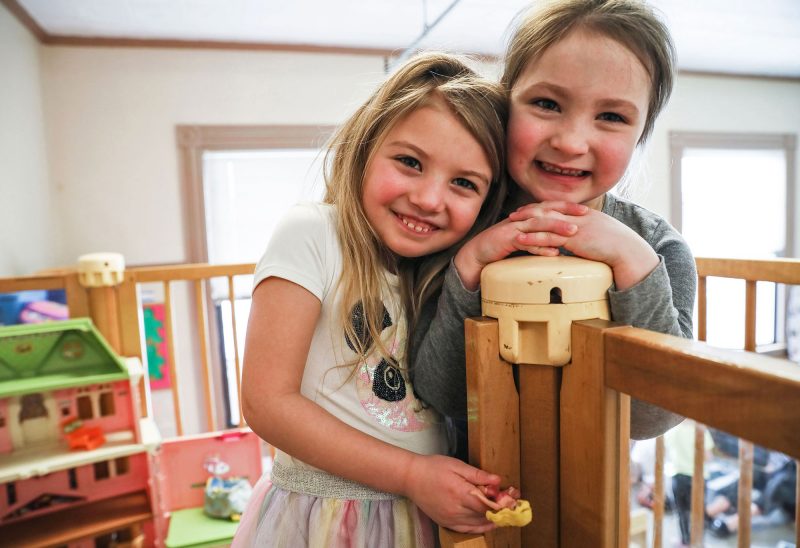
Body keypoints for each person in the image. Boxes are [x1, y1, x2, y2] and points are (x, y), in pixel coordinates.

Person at [232, 52, 513, 547]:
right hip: (323, 519)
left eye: (463, 183)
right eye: (409, 162)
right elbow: (266, 402)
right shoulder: (314, 233)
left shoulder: (443, 274)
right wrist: (411, 474)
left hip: (419, 517)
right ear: (365, 147)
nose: (429, 198)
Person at [410, 0, 697, 446]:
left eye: (612, 116)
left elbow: (653, 418)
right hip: (466, 490)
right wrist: (468, 268)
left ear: (640, 133)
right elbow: (441, 398)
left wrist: (635, 263)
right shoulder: (461, 217)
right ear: (507, 104)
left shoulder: (658, 247)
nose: (570, 142)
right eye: (547, 103)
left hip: (590, 491)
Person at [664, 420, 714, 547]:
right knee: (698, 512)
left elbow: (667, 450)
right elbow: (708, 457)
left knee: (682, 511)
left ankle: (685, 541)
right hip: (698, 477)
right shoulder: (700, 429)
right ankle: (698, 542)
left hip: (678, 476)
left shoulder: (672, 429)